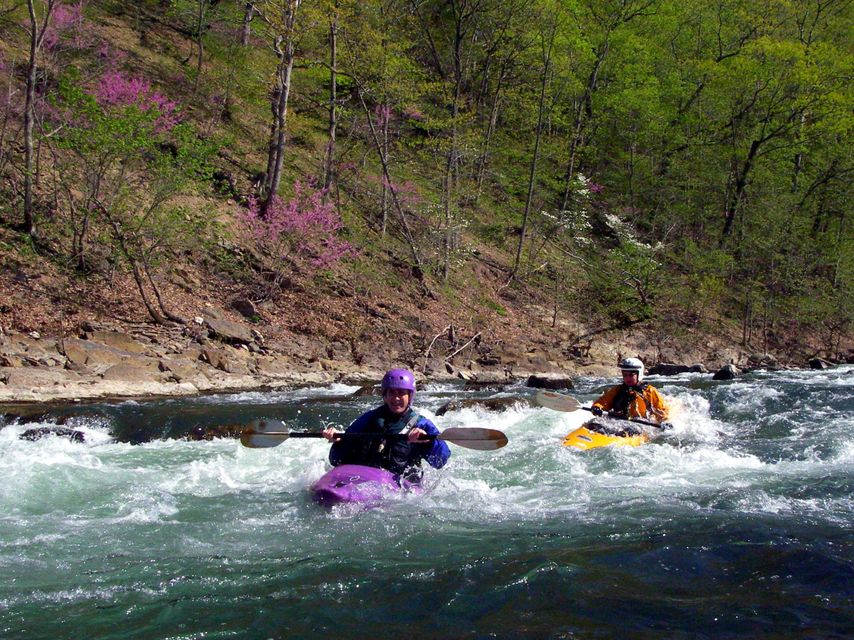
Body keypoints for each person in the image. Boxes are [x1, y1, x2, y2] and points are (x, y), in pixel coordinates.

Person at [321, 368, 450, 481]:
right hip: (364, 479)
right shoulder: (369, 418)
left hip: (400, 487)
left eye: (401, 393)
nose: (396, 398)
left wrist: (428, 441)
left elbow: (441, 461)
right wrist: (339, 441)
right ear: (385, 395)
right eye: (391, 392)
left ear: (410, 396)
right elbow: (336, 461)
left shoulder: (422, 424)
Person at [590, 357, 672, 428]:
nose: (627, 378)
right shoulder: (617, 390)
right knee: (594, 425)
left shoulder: (650, 391)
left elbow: (662, 411)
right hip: (617, 422)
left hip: (640, 425)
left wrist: (665, 422)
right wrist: (597, 407)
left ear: (639, 374)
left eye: (631, 375)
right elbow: (602, 402)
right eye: (625, 375)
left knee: (630, 430)